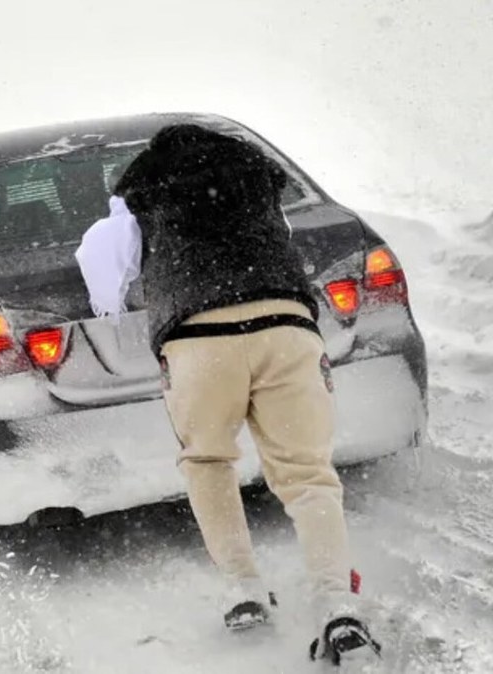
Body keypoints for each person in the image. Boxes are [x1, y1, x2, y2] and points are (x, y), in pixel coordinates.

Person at [75, 124, 379, 666]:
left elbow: (102, 270)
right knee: (308, 475)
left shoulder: (142, 194)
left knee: (209, 461)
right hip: (286, 326)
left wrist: (121, 295)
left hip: (198, 341)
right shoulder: (257, 183)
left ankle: (243, 588)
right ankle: (336, 602)